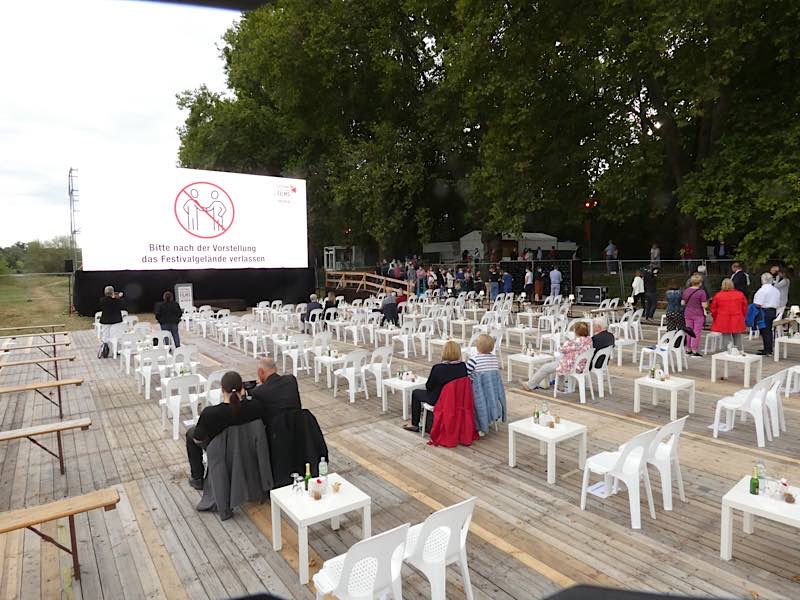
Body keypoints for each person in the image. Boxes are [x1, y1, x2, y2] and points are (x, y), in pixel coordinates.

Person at [186, 371, 261, 490]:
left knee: (191, 434)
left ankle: (197, 478)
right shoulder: (255, 407)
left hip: (220, 452)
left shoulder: (210, 413)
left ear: (222, 389)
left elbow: (197, 439)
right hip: (247, 447)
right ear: (242, 388)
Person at [403, 341, 467, 432]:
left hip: (439, 400)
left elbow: (429, 386)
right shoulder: (462, 366)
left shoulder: (438, 368)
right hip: (457, 399)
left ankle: (415, 424)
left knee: (416, 393)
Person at [523, 322, 592, 390]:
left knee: (545, 367)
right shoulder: (589, 340)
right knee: (559, 361)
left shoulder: (575, 342)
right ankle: (560, 385)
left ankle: (530, 385)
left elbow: (562, 350)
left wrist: (559, 348)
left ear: (576, 331)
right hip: (581, 366)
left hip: (571, 366)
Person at [249, 357, 302, 427]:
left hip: (276, 431)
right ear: (276, 369)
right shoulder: (291, 380)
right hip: (298, 425)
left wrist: (262, 386)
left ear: (261, 371)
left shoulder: (258, 392)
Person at [710, 278, 748, 351]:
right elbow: (744, 307)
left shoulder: (718, 295)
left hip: (723, 318)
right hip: (737, 317)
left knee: (725, 336)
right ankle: (739, 351)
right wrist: (743, 316)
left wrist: (715, 317)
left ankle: (727, 352)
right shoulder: (740, 294)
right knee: (737, 335)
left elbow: (713, 308)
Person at [753, 272, 781, 356]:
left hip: (764, 311)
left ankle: (768, 350)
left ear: (763, 280)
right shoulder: (775, 290)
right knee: (768, 330)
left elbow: (757, 303)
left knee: (765, 331)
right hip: (773, 310)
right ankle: (768, 348)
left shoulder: (762, 290)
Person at [681, 274, 709, 356]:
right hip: (698, 314)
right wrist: (707, 304)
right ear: (700, 283)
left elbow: (682, 303)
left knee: (689, 330)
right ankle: (694, 349)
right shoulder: (701, 292)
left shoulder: (686, 291)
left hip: (688, 313)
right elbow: (704, 305)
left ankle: (688, 348)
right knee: (697, 331)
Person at [98, 285, 124, 357]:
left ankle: (105, 350)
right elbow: (122, 304)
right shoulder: (117, 300)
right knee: (115, 336)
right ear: (112, 292)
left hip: (105, 320)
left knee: (105, 335)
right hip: (116, 320)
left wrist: (114, 297)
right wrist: (117, 297)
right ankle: (115, 350)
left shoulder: (102, 300)